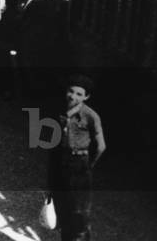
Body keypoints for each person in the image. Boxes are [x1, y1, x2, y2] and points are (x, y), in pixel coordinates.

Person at [47, 75, 106, 241]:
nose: (73, 96)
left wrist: (87, 165)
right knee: (62, 210)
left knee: (79, 215)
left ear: (87, 97)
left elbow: (101, 146)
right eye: (71, 91)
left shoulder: (91, 116)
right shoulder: (59, 111)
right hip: (60, 161)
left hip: (79, 165)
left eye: (79, 94)